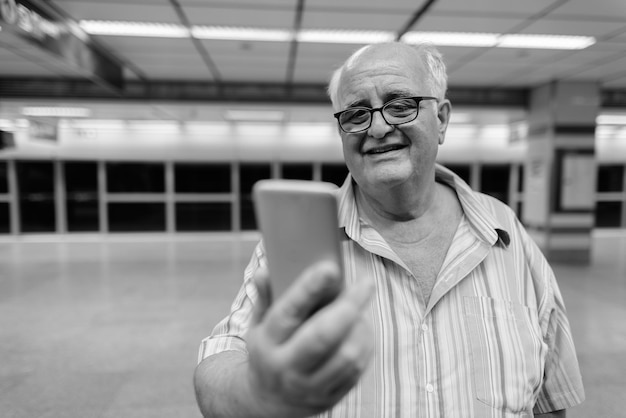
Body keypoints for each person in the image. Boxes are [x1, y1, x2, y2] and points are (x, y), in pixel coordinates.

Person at [193, 41, 585, 418]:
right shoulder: (301, 241)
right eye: (356, 114)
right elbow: (224, 354)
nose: (378, 128)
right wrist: (257, 393)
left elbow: (550, 401)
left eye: (400, 106)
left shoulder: (507, 234)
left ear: (442, 118)